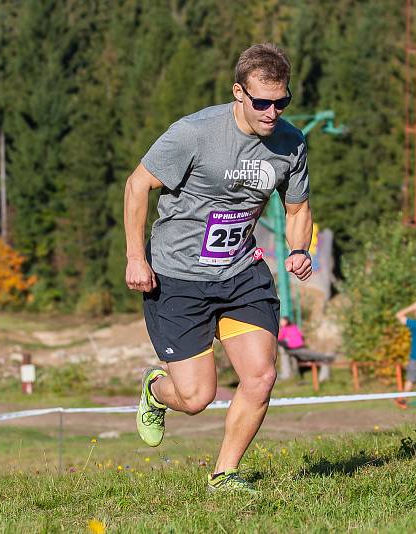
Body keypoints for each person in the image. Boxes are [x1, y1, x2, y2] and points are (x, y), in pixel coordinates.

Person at [123, 43, 313, 493]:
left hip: (241, 272)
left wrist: (299, 248)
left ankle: (224, 475)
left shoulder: (291, 143)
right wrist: (135, 256)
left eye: (281, 102)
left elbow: (298, 206)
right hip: (177, 276)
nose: (272, 112)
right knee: (195, 397)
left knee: (261, 376)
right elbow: (137, 185)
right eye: (262, 102)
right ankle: (156, 390)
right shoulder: (195, 133)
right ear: (238, 93)